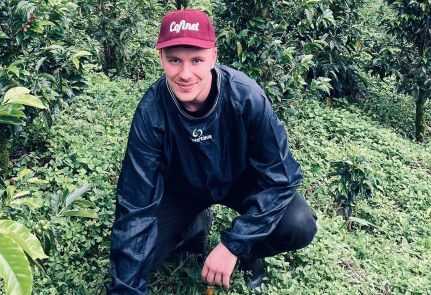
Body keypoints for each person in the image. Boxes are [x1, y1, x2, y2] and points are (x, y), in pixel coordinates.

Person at [107, 9, 317, 295]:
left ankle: (249, 253)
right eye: (174, 61)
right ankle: (193, 225)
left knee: (299, 223)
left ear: (214, 56)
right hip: (181, 190)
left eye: (196, 60)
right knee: (139, 256)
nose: (185, 74)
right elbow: (134, 204)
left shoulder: (246, 96)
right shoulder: (151, 111)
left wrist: (234, 244)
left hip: (240, 183)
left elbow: (282, 178)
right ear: (161, 60)